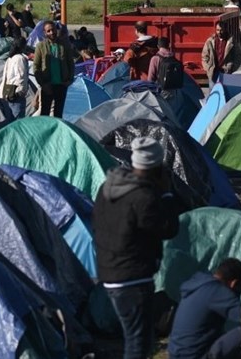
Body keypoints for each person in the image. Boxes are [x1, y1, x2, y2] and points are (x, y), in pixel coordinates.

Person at [93, 137, 180, 359]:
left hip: (108, 271)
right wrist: (167, 194)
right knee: (138, 342)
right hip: (132, 276)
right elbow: (168, 228)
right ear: (156, 167)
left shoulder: (109, 187)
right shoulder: (143, 197)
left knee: (134, 336)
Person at [167, 258, 241, 359]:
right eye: (240, 287)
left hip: (176, 354)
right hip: (194, 356)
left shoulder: (200, 285)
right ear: (233, 283)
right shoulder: (218, 291)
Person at [33, 21, 75, 118]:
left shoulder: (64, 45)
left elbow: (70, 63)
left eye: (53, 30)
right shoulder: (41, 46)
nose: (52, 32)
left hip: (61, 84)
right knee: (45, 114)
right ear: (45, 33)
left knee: (58, 114)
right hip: (47, 85)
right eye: (49, 31)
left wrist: (69, 80)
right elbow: (36, 66)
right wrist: (43, 84)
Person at [0, 37, 29, 119]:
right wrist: (21, 91)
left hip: (9, 91)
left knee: (11, 117)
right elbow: (21, 76)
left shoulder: (10, 58)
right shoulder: (20, 58)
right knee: (18, 119)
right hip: (16, 93)